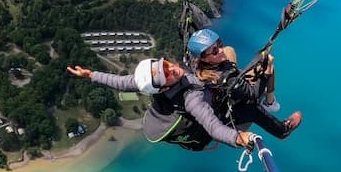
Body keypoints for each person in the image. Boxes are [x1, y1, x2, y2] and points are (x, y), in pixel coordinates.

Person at [67, 58, 259, 151]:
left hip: (212, 94)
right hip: (224, 114)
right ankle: (272, 106)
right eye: (166, 75)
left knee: (228, 56)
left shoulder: (153, 83)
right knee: (253, 104)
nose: (172, 69)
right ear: (163, 88)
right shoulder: (190, 99)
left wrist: (90, 74)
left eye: (166, 64)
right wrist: (237, 138)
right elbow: (213, 127)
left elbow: (120, 82)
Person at [186, 28, 302, 139]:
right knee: (252, 108)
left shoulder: (197, 63)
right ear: (204, 59)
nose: (220, 50)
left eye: (219, 44)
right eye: (215, 51)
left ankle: (252, 90)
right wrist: (267, 72)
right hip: (230, 115)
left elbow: (219, 56)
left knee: (229, 50)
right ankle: (282, 130)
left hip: (224, 93)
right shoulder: (225, 79)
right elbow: (253, 94)